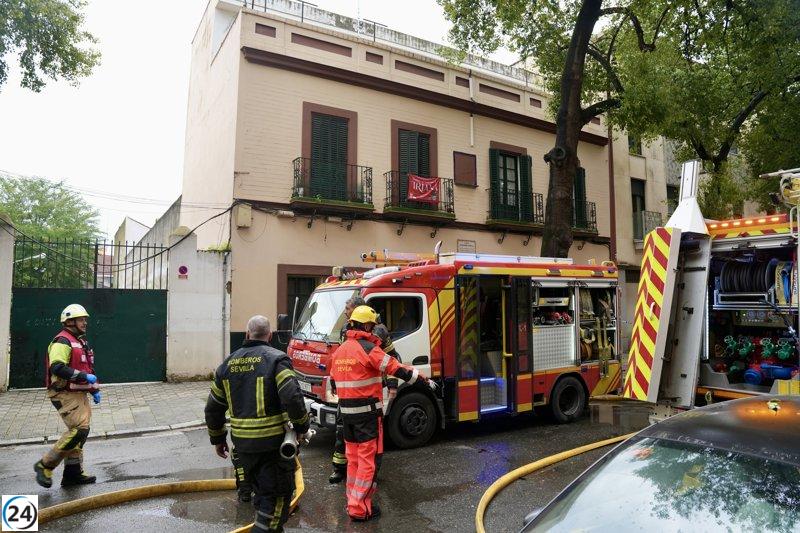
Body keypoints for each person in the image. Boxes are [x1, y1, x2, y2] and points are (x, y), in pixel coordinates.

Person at [206, 316, 310, 533]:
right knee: (276, 506)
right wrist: (301, 427)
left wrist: (218, 439)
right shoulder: (276, 360)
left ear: (247, 335)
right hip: (273, 450)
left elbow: (213, 408)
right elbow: (292, 396)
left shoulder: (226, 365)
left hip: (244, 449)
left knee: (263, 499)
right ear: (270, 336)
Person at [330, 305, 429, 521]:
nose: (374, 331)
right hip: (367, 416)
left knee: (353, 460)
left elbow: (333, 381)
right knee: (367, 462)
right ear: (366, 325)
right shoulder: (369, 349)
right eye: (372, 326)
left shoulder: (340, 350)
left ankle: (353, 503)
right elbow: (395, 367)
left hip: (347, 416)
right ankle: (360, 509)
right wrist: (421, 379)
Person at [329, 296, 400, 484]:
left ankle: (369, 474)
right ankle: (340, 468)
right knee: (342, 429)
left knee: (369, 438)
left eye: (347, 307)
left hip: (369, 391)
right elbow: (340, 356)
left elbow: (392, 358)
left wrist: (392, 386)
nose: (345, 311)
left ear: (359, 310)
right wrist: (334, 380)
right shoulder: (346, 329)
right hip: (349, 390)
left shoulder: (379, 331)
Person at [34, 304, 101, 488]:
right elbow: (57, 367)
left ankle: (73, 474)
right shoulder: (61, 341)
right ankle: (45, 465)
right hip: (63, 393)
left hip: (78, 393)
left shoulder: (80, 342)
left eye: (85, 319)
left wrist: (93, 389)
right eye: (81, 319)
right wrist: (84, 377)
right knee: (79, 430)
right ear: (69, 321)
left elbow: (86, 367)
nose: (85, 322)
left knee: (82, 431)